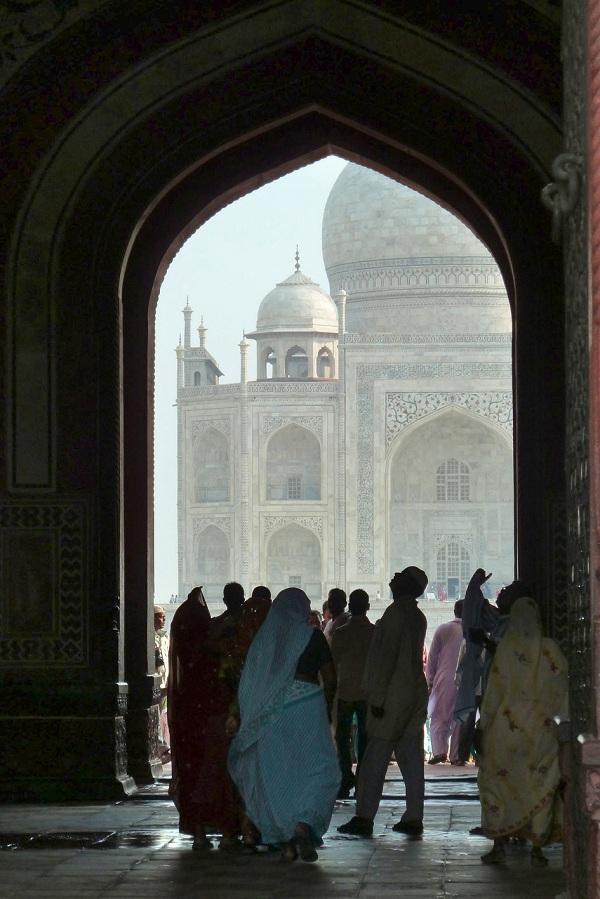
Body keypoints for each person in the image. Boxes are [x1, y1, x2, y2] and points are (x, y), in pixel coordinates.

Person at [228, 588, 340, 862]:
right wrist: (324, 708)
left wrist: (241, 713)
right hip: (309, 707)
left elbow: (250, 681)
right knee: (321, 771)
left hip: (272, 714)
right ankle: (301, 829)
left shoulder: (266, 640)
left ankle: (283, 836)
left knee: (279, 776)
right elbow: (331, 677)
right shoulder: (312, 635)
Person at [477, 596, 568, 866]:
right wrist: (563, 723)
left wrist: (483, 726)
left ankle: (499, 844)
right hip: (541, 729)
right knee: (539, 783)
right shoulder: (550, 649)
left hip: (506, 728)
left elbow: (493, 693)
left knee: (499, 783)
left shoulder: (507, 647)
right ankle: (537, 847)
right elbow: (562, 689)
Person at [338, 567, 428, 837]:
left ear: (407, 585)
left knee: (374, 758)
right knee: (412, 761)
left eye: (399, 576)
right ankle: (414, 817)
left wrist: (377, 698)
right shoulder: (417, 615)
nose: (392, 578)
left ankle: (364, 817)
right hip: (412, 692)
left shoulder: (395, 614)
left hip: (392, 695)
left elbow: (386, 658)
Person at [167, 586, 217, 848]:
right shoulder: (210, 657)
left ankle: (197, 829)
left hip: (187, 724)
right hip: (207, 723)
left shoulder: (183, 667)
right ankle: (215, 829)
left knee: (191, 774)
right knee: (209, 774)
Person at [331, 588, 375, 797]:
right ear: (368, 607)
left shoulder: (341, 633)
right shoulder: (374, 633)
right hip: (367, 693)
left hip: (345, 692)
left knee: (343, 738)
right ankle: (363, 780)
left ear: (349, 606)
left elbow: (332, 665)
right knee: (365, 739)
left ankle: (345, 777)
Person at [426, 600, 463, 765]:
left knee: (439, 717)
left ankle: (440, 751)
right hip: (467, 681)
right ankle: (456, 756)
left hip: (445, 678)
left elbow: (432, 657)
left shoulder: (444, 629)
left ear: (454, 611)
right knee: (460, 719)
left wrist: (430, 680)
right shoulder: (473, 631)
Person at [154, 605, 170, 762]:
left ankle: (162, 748)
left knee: (161, 715)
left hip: (165, 684)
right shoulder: (149, 638)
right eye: (159, 617)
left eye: (164, 617)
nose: (163, 620)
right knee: (156, 717)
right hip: (154, 684)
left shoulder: (165, 637)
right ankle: (161, 748)